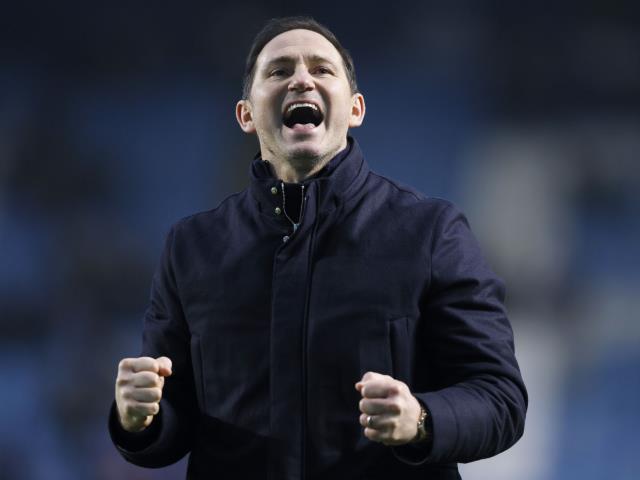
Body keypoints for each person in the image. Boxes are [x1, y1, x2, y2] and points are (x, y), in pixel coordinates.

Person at [109, 16, 527, 480]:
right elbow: (173, 421)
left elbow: (500, 399)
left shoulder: (430, 232)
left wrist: (422, 419)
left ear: (356, 109)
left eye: (322, 69)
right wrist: (138, 420)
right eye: (279, 71)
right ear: (246, 115)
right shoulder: (191, 247)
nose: (301, 79)